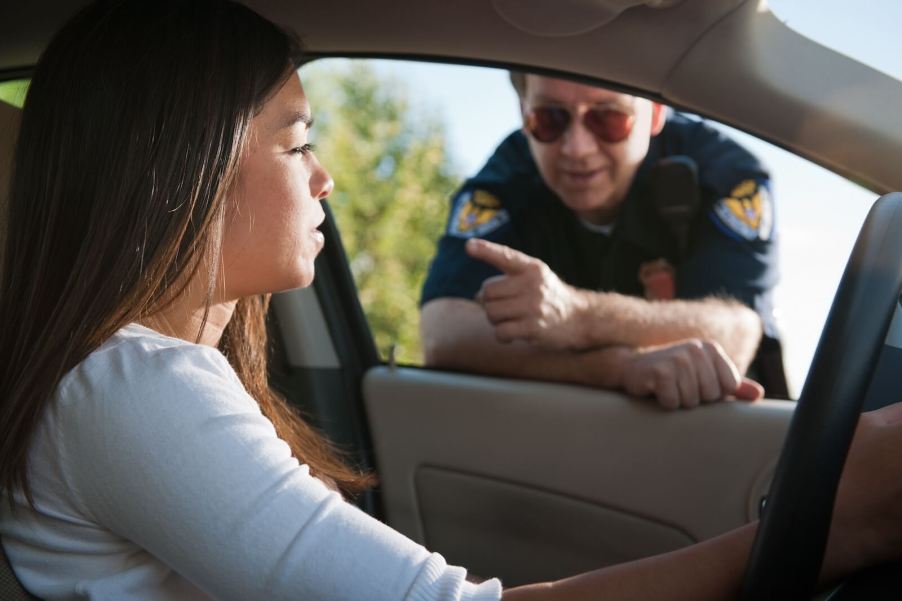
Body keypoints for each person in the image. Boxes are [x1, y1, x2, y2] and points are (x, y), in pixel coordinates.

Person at [1, 1, 902, 599]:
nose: (325, 178)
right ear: (180, 174)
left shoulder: (136, 378)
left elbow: (739, 324)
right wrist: (831, 524)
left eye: (609, 119)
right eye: (295, 143)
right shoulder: (133, 387)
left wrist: (591, 329)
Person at [420, 72, 790, 408]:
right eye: (550, 118)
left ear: (655, 113)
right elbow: (443, 332)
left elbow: (738, 333)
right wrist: (613, 368)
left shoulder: (723, 174)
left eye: (608, 118)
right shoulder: (506, 177)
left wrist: (578, 316)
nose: (576, 148)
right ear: (523, 112)